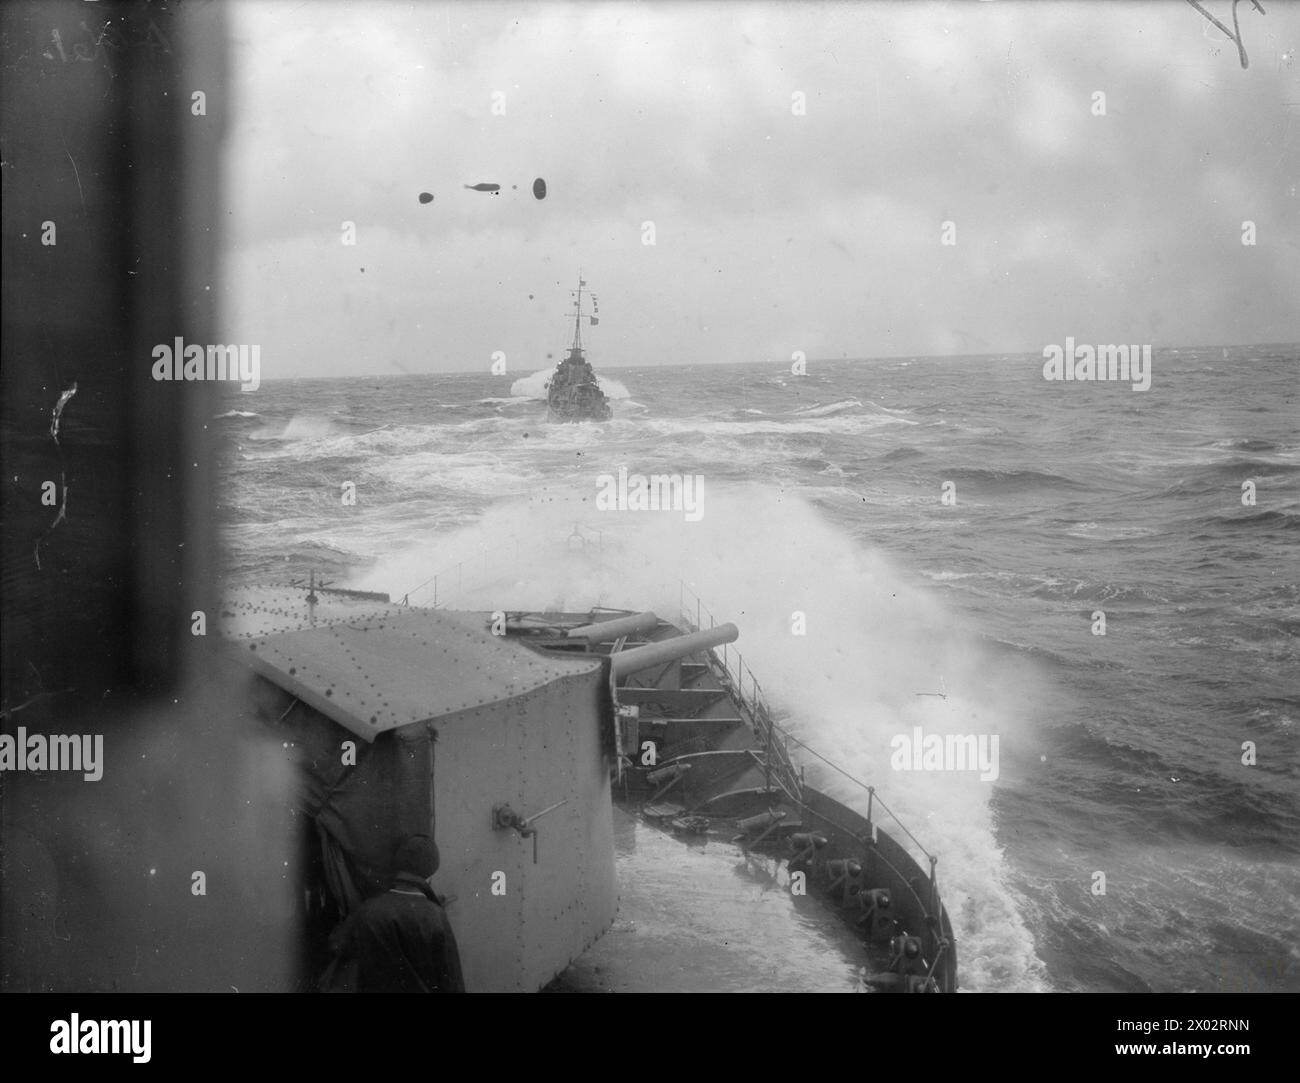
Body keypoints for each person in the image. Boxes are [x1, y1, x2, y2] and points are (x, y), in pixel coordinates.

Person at [326, 835, 465, 993]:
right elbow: (452, 983)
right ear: (430, 874)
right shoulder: (436, 917)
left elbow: (335, 944)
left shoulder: (368, 909)